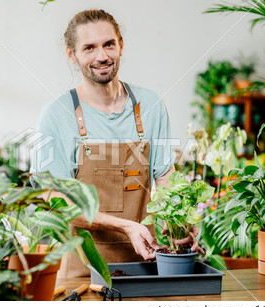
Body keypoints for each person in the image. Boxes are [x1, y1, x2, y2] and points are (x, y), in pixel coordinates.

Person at [31, 9, 203, 278]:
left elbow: (166, 176)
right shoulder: (55, 114)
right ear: (71, 55)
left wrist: (183, 218)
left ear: (121, 45)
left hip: (145, 260)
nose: (102, 56)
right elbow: (54, 200)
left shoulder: (150, 105)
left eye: (108, 44)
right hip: (81, 267)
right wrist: (125, 226)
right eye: (89, 48)